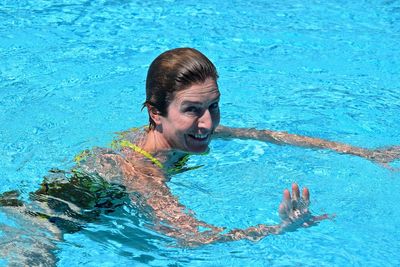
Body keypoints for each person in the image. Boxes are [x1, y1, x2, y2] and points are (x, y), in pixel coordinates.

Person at [1, 48, 399, 263]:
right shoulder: (142, 170)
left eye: (214, 107)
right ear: (156, 112)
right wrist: (281, 231)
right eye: (192, 110)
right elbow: (191, 239)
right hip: (33, 232)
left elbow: (266, 135)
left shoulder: (180, 133)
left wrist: (363, 152)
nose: (208, 124)